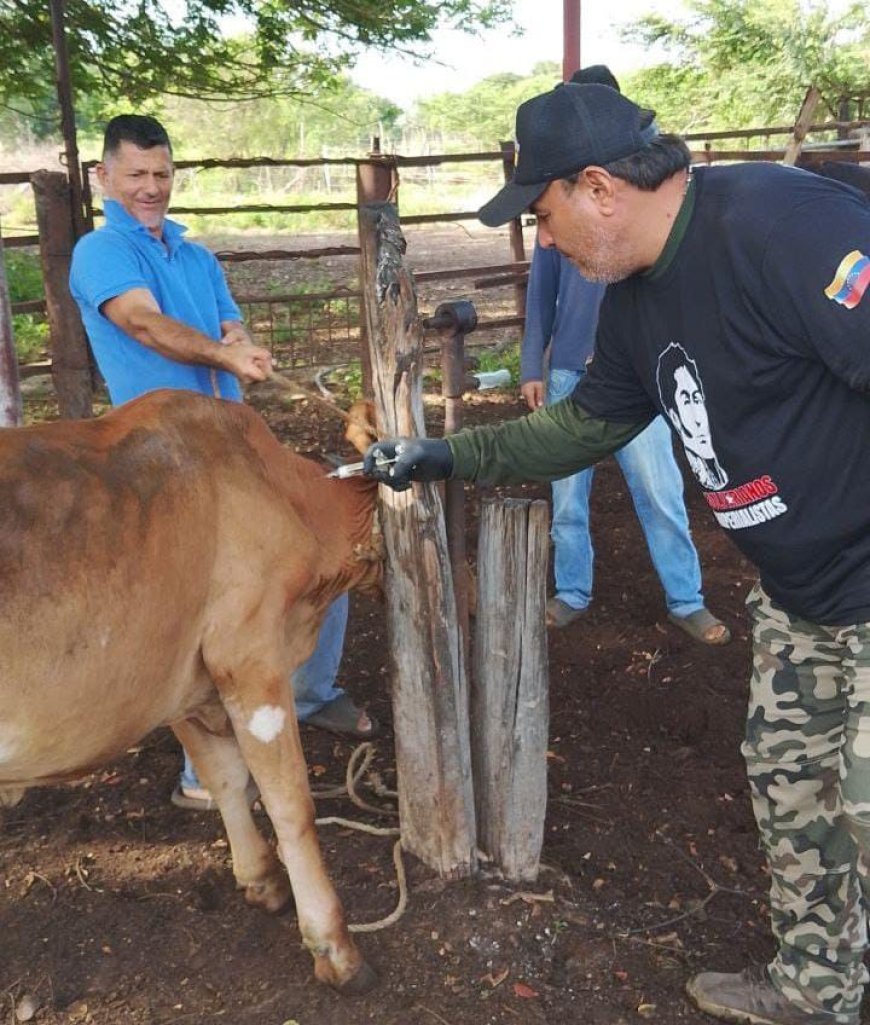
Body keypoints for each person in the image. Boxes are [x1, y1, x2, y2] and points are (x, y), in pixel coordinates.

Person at [364, 82, 870, 1025]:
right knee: (795, 795)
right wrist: (446, 456)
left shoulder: (780, 226)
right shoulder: (637, 305)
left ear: (598, 188)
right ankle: (819, 987)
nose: (544, 240)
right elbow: (582, 428)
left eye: (545, 214)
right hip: (801, 598)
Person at [70, 114, 376, 812]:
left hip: (234, 447)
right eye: (137, 175)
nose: (151, 188)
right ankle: (201, 771)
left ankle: (306, 693)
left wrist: (240, 338)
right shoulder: (99, 251)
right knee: (203, 604)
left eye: (162, 174)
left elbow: (228, 321)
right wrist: (223, 354)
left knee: (330, 536)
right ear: (104, 177)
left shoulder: (194, 254)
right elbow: (144, 323)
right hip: (163, 460)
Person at [521, 61, 727, 645]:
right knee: (567, 494)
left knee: (660, 490)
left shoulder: (637, 201)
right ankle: (571, 592)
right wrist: (534, 363)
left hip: (639, 371)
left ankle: (687, 599)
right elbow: (541, 292)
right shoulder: (559, 209)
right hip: (570, 368)